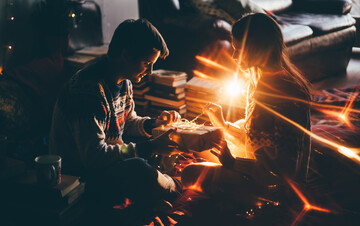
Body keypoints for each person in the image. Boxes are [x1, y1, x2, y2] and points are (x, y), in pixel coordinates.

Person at [49, 19, 182, 207]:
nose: (150, 72)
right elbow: (94, 157)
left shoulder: (124, 81)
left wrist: (154, 124)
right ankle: (175, 187)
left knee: (160, 146)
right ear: (126, 55)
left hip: (108, 161)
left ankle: (156, 187)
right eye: (147, 63)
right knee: (138, 168)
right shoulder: (88, 92)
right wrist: (150, 147)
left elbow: (127, 121)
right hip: (81, 176)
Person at [182, 13, 312, 198]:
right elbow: (255, 139)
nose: (234, 56)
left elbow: (284, 170)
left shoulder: (280, 94)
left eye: (239, 50)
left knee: (189, 174)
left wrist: (233, 163)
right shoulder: (259, 80)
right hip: (259, 167)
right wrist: (223, 124)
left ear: (257, 48)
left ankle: (239, 199)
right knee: (201, 149)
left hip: (276, 186)